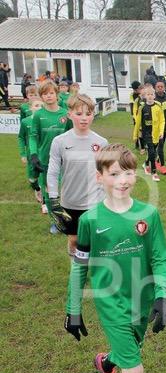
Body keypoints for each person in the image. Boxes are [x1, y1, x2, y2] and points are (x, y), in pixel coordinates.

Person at [64, 143, 166, 373]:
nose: (122, 180)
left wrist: (162, 294)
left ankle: (106, 363)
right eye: (113, 174)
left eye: (128, 173)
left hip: (142, 299)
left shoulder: (148, 215)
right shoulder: (90, 221)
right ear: (99, 177)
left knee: (128, 352)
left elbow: (159, 258)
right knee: (134, 370)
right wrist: (73, 308)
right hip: (110, 302)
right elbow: (80, 267)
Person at [46, 94, 108, 255]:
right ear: (69, 114)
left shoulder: (102, 142)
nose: (84, 118)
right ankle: (76, 269)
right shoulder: (59, 141)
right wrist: (53, 199)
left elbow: (107, 173)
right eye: (79, 113)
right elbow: (53, 172)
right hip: (70, 201)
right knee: (74, 240)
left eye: (88, 114)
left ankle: (93, 269)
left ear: (93, 115)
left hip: (95, 201)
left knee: (93, 241)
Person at [28, 79, 73, 234]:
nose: (48, 96)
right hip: (45, 160)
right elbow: (33, 137)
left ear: (56, 94)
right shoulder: (38, 115)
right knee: (49, 192)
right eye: (45, 94)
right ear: (41, 96)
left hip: (64, 160)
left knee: (66, 189)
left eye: (51, 93)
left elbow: (72, 134)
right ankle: (56, 221)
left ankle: (69, 217)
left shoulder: (65, 114)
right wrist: (34, 155)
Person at [133, 85, 164, 182]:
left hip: (156, 133)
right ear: (145, 96)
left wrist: (161, 131)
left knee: (153, 151)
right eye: (148, 94)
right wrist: (135, 135)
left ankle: (146, 164)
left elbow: (162, 121)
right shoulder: (142, 108)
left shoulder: (158, 107)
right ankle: (154, 173)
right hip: (146, 133)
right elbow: (138, 122)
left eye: (151, 94)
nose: (150, 96)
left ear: (154, 96)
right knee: (152, 152)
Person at [18, 98, 44, 210]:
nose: (39, 108)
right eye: (36, 105)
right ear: (31, 108)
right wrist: (23, 154)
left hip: (44, 154)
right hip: (31, 155)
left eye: (41, 106)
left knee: (45, 178)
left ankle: (45, 202)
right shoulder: (25, 122)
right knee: (32, 179)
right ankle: (37, 189)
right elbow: (21, 137)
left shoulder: (45, 121)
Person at [154, 79, 166, 175]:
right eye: (158, 87)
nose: (160, 88)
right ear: (155, 88)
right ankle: (162, 165)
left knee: (160, 145)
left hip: (165, 127)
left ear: (164, 88)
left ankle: (153, 160)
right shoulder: (152, 98)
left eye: (161, 86)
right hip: (155, 127)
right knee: (159, 145)